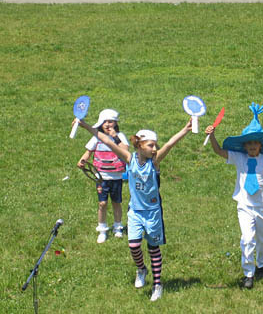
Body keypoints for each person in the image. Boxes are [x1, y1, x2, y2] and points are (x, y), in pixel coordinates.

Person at [74, 116, 192, 301]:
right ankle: (141, 269)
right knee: (134, 245)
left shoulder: (155, 162)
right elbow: (105, 139)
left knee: (153, 248)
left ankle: (157, 284)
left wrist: (185, 130)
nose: (154, 149)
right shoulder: (129, 159)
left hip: (153, 212)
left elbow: (169, 144)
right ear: (139, 145)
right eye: (150, 145)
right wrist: (84, 125)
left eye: (155, 145)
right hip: (135, 211)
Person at [205, 103, 263, 289]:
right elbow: (219, 151)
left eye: (255, 143)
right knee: (247, 238)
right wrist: (212, 136)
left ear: (261, 144)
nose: (252, 146)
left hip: (262, 206)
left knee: (262, 237)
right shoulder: (239, 157)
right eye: (249, 143)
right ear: (245, 145)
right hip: (244, 205)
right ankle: (248, 274)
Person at [77, 109, 129, 244]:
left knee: (116, 202)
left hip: (116, 176)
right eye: (105, 121)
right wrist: (83, 160)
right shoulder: (97, 137)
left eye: (110, 121)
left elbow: (125, 151)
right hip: (101, 176)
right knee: (102, 203)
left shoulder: (120, 136)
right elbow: (89, 152)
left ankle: (118, 227)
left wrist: (116, 137)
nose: (107, 124)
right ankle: (102, 229)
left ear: (116, 123)